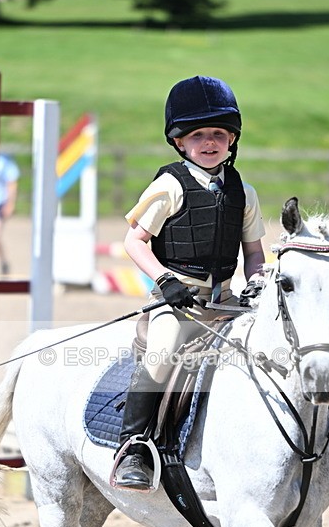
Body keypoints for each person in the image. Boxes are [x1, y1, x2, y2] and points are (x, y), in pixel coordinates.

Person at [113, 75, 266, 491]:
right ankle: (134, 447)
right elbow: (133, 241)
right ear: (180, 143)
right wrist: (165, 281)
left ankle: (293, 451)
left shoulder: (244, 193)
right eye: (198, 135)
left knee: (278, 349)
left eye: (219, 133)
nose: (210, 142)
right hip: (177, 302)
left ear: (232, 138)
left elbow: (253, 253)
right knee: (162, 353)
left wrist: (257, 284)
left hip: (228, 301)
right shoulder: (168, 186)